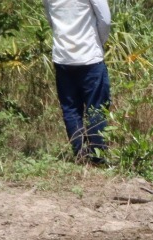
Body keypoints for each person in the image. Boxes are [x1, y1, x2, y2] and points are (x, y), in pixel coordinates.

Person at [44, 0, 113, 163]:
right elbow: (105, 20)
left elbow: (50, 19)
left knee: (70, 108)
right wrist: (98, 43)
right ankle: (98, 158)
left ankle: (79, 155)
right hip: (90, 57)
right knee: (96, 108)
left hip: (63, 58)